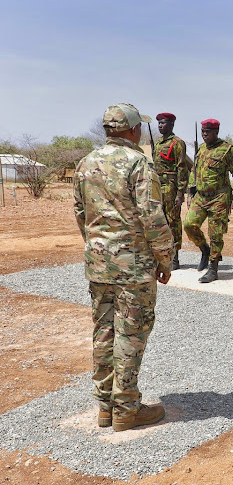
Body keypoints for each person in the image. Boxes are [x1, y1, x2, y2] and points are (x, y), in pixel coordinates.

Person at [73, 103, 173, 432]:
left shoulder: (85, 163)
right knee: (130, 335)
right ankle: (126, 409)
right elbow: (152, 215)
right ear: (132, 131)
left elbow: (80, 213)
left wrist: (98, 245)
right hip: (133, 267)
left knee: (104, 333)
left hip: (99, 264)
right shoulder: (138, 163)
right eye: (139, 128)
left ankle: (105, 406)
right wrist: (164, 257)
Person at [184, 119, 233, 283]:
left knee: (216, 233)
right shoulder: (201, 149)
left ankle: (213, 268)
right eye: (203, 131)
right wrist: (190, 194)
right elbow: (194, 172)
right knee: (189, 225)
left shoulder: (226, 149)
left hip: (219, 197)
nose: (204, 134)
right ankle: (204, 248)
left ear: (216, 132)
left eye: (207, 132)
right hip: (201, 197)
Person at [153, 112, 189, 270]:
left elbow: (182, 168)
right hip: (157, 186)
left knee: (173, 221)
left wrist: (181, 193)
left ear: (172, 125)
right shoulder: (158, 143)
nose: (160, 126)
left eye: (164, 123)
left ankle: (175, 257)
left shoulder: (177, 143)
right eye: (159, 123)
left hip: (171, 186)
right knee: (160, 222)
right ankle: (162, 255)